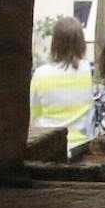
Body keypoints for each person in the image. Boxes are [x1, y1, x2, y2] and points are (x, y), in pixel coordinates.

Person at [30, 15, 97, 148]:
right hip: (81, 145)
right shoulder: (88, 72)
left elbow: (34, 115)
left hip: (49, 146)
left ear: (55, 43)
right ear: (81, 42)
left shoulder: (40, 74)